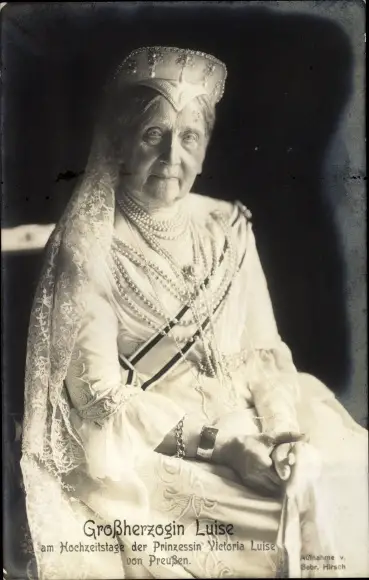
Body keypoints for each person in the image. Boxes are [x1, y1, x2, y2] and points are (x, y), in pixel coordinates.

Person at [20, 46, 368, 580]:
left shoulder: (226, 226)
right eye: (153, 135)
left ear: (205, 149)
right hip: (157, 443)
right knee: (283, 520)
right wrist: (226, 448)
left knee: (344, 480)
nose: (171, 159)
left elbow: (263, 350)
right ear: (119, 142)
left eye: (189, 138)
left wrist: (281, 436)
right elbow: (98, 397)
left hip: (255, 422)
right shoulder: (87, 245)